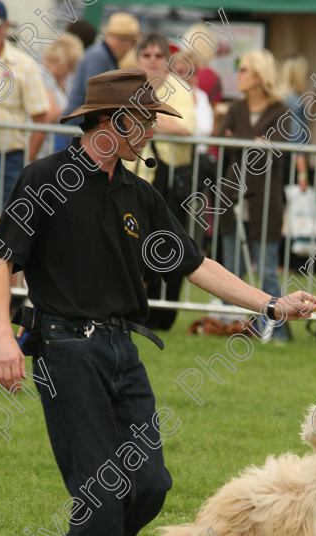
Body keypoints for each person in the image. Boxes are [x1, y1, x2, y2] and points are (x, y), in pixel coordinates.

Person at [0, 69, 316, 536]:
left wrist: (271, 303)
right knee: (103, 487)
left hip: (123, 349)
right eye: (142, 121)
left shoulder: (141, 193)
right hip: (64, 349)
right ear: (111, 122)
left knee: (150, 482)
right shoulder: (45, 179)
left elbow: (197, 265)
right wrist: (1, 337)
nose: (149, 132)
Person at [124, 32, 197, 330]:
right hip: (133, 174)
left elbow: (186, 127)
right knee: (129, 240)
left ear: (167, 61)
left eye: (158, 56)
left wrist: (146, 117)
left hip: (169, 179)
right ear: (138, 58)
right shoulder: (128, 85)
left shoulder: (178, 88)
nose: (152, 61)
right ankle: (129, 307)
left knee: (167, 243)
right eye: (147, 55)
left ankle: (162, 313)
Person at [218, 50, 290, 340]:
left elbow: (276, 151)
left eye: (244, 70)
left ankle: (277, 333)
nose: (238, 75)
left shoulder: (281, 111)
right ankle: (233, 328)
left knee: (267, 271)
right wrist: (254, 143)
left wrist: (242, 142)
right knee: (231, 271)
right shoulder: (236, 107)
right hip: (233, 193)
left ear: (260, 76)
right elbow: (219, 138)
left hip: (265, 199)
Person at [0, 0, 48, 282]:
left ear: (5, 28)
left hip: (11, 156)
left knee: (12, 227)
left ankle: (11, 290)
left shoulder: (23, 64)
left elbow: (41, 116)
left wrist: (26, 159)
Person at [54, 12, 139, 149]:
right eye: (132, 42)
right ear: (127, 41)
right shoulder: (98, 56)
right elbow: (97, 97)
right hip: (72, 135)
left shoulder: (103, 56)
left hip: (77, 133)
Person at [33, 34, 84, 158]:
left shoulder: (64, 79)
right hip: (40, 149)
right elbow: (49, 113)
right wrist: (77, 109)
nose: (72, 70)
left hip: (54, 148)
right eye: (70, 65)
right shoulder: (40, 74)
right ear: (61, 60)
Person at [279, 54, 310, 190]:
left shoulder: (279, 98)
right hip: (289, 163)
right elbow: (297, 139)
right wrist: (303, 173)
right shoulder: (294, 101)